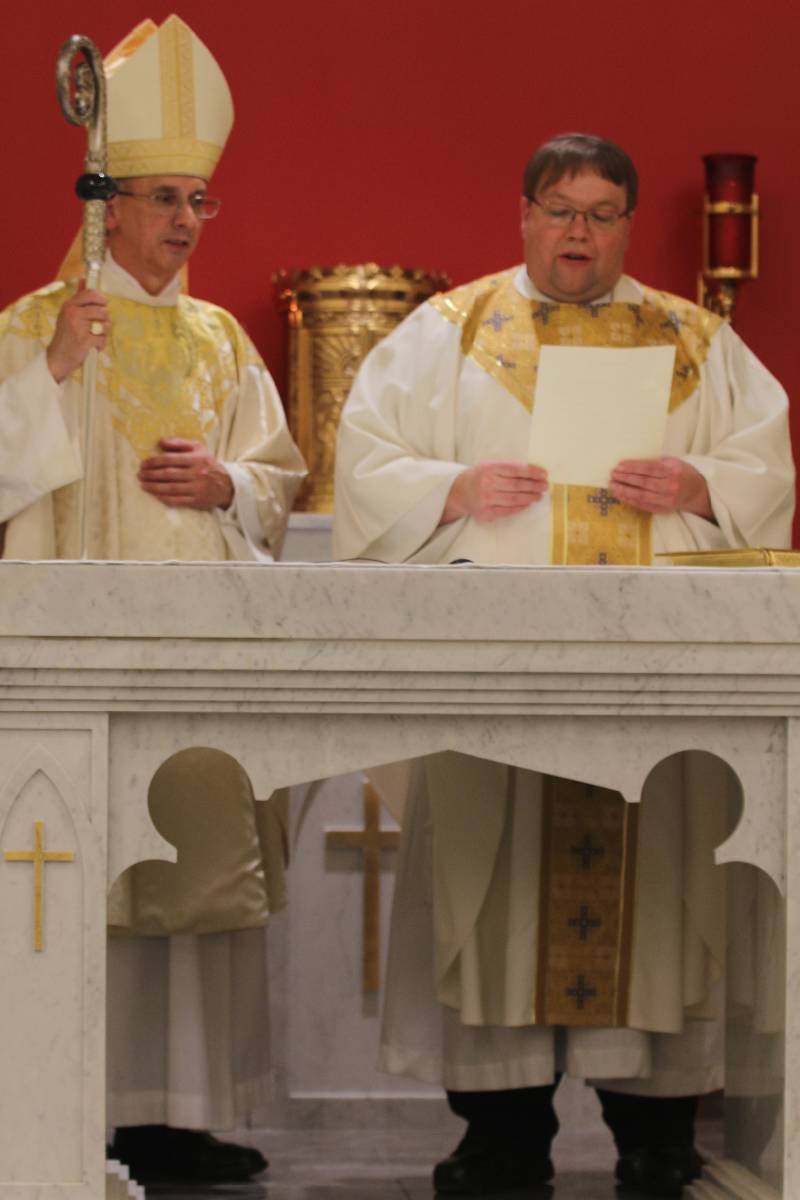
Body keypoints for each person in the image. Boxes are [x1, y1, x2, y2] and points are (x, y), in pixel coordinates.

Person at [332, 133, 795, 1197]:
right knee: (495, 885)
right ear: (522, 214)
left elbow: (760, 462)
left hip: (651, 678)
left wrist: (695, 484)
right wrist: (453, 488)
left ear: (627, 224)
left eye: (598, 212)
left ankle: (656, 1133)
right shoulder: (445, 334)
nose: (577, 231)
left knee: (663, 889)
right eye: (558, 208)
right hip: (496, 675)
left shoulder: (693, 337)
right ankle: (499, 1133)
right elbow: (365, 461)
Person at [0, 14, 305, 1183]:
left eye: (198, 199)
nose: (184, 220)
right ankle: (77, 1105)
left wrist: (226, 479)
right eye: (164, 196)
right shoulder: (39, 325)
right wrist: (54, 378)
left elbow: (273, 480)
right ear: (108, 206)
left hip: (200, 655)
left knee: (193, 872)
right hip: (82, 659)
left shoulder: (222, 341)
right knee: (90, 884)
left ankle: (179, 1112)